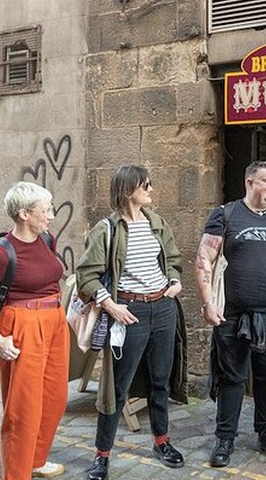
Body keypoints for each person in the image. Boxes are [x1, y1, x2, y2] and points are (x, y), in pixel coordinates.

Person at [76, 165, 188, 480]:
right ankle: (102, 456)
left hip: (163, 309)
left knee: (160, 381)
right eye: (146, 185)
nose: (151, 189)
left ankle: (162, 442)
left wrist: (175, 281)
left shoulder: (157, 223)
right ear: (128, 190)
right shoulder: (107, 229)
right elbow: (86, 275)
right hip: (127, 312)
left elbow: (174, 260)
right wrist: (110, 305)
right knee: (116, 387)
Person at [194, 160, 266, 468]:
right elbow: (205, 257)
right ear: (249, 183)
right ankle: (225, 438)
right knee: (231, 378)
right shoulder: (227, 214)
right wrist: (208, 302)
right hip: (233, 316)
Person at [0, 181, 67, 480]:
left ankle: (35, 459)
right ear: (25, 214)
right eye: (45, 210)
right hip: (22, 325)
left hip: (54, 322)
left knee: (55, 398)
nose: (50, 215)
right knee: (23, 408)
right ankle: (16, 474)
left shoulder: (47, 240)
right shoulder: (0, 254)